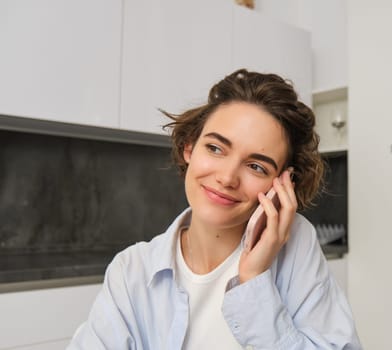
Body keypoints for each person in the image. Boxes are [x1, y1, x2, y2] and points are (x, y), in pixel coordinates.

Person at [67, 69, 362, 349]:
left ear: (282, 184)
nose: (227, 177)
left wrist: (254, 280)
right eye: (215, 148)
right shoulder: (131, 271)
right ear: (189, 148)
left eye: (256, 166)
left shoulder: (295, 249)